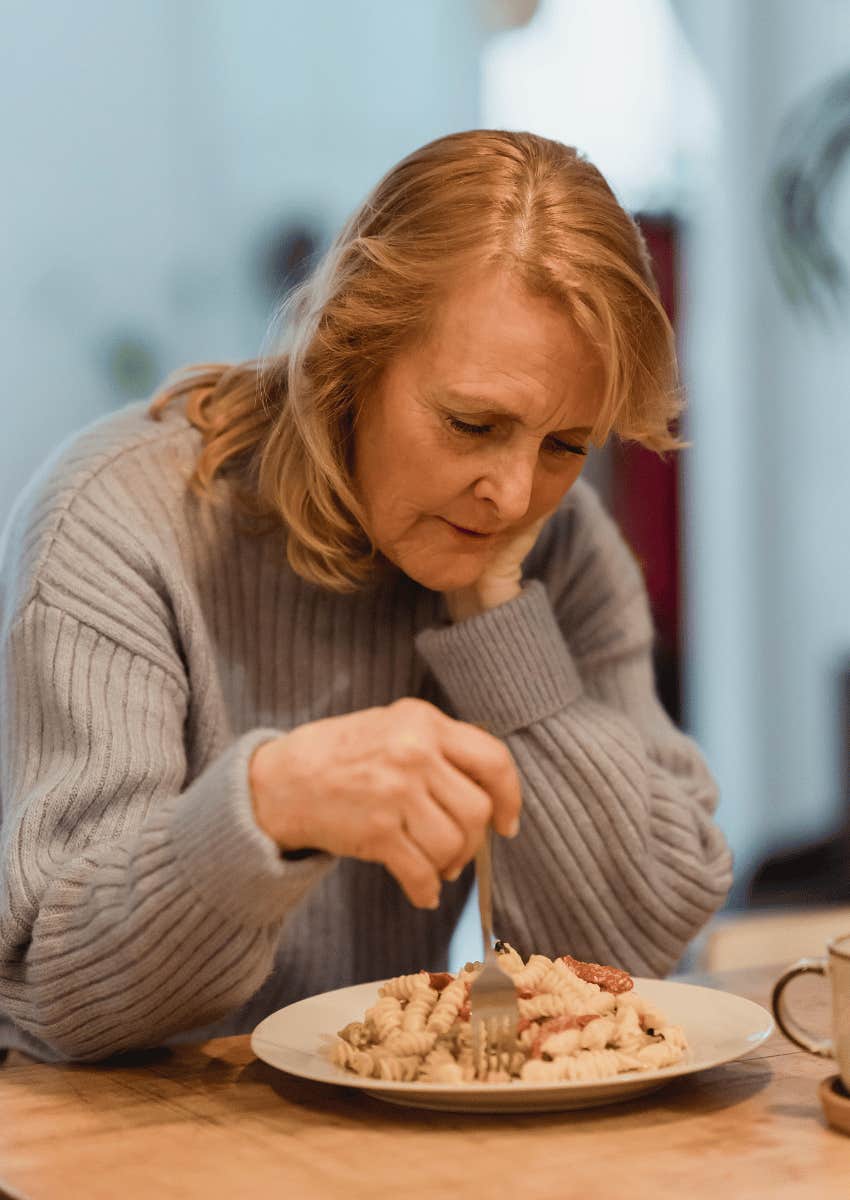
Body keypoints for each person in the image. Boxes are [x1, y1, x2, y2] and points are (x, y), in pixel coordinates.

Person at [0, 130, 732, 1063]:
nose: (513, 495)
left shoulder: (561, 547)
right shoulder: (119, 522)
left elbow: (634, 954)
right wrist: (266, 812)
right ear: (349, 358)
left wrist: (498, 617)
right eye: (473, 424)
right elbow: (54, 997)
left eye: (563, 447)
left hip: (387, 1141)